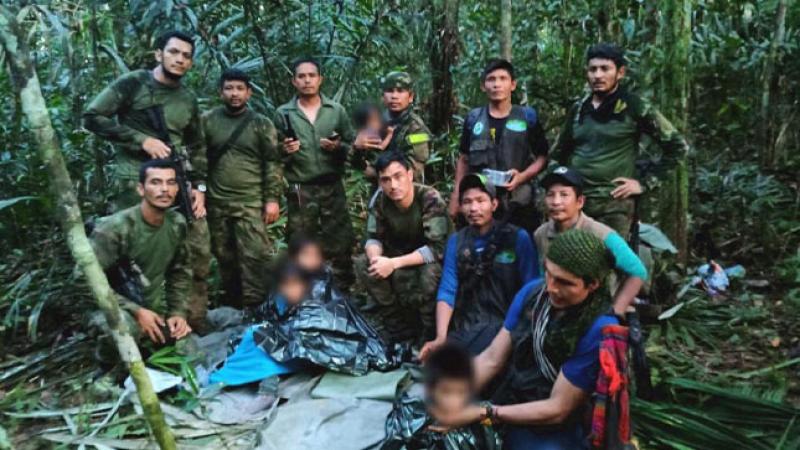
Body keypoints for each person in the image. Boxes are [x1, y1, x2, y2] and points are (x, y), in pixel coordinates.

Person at [430, 230, 620, 450]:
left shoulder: (599, 328)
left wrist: (485, 413)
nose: (551, 288)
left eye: (565, 283)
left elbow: (559, 408)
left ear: (593, 284)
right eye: (549, 273)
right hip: (517, 393)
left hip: (558, 420)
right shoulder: (532, 293)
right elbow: (492, 358)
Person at [83, 30, 211, 332]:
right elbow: (92, 117)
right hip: (134, 183)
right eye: (174, 52)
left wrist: (200, 188)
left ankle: (188, 321)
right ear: (159, 54)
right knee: (131, 254)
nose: (179, 59)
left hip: (177, 182)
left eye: (186, 56)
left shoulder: (187, 99)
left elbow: (198, 147)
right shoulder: (134, 84)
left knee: (194, 249)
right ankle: (133, 322)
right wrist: (141, 140)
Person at [553, 43, 689, 237]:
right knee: (569, 260)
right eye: (593, 69)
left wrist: (643, 183)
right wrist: (556, 190)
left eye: (605, 69)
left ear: (620, 72)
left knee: (611, 262)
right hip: (576, 204)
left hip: (613, 205)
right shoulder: (579, 109)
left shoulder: (635, 106)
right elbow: (557, 154)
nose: (598, 75)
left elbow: (678, 147)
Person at [420, 173, 538, 358]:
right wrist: (441, 337)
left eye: (480, 200)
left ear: (494, 204)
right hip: (468, 325)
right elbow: (448, 289)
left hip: (507, 326)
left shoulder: (517, 238)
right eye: (467, 202)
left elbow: (532, 288)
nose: (473, 208)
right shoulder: (456, 241)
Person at [88, 160, 192, 359]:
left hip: (149, 305)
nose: (164, 189)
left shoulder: (177, 224)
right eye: (156, 182)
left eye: (171, 183)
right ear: (141, 189)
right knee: (125, 330)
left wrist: (177, 313)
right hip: (111, 307)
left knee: (188, 350)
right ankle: (108, 371)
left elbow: (180, 271)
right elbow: (84, 282)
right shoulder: (115, 229)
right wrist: (136, 311)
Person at [203, 68, 282, 309]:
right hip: (217, 202)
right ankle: (234, 306)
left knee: (255, 257)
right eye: (229, 88)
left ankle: (257, 308)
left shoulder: (261, 124)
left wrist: (272, 199)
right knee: (225, 258)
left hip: (250, 202)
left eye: (240, 89)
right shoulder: (207, 121)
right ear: (220, 92)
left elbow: (273, 162)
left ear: (249, 93)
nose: (234, 94)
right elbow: (197, 158)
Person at [276, 57, 357, 290]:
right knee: (300, 236)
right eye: (301, 76)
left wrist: (337, 147)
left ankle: (342, 290)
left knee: (340, 237)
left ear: (320, 79)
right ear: (294, 81)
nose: (307, 80)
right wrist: (284, 150)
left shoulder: (336, 111)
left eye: (311, 75)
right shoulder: (283, 113)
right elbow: (273, 153)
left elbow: (353, 146)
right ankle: (302, 290)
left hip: (331, 184)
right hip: (299, 186)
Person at [354, 152, 450, 344]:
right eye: (386, 180)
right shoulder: (380, 200)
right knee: (364, 263)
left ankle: (428, 330)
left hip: (429, 259)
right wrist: (376, 260)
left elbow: (437, 248)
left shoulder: (429, 198)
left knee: (430, 274)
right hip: (397, 255)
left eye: (398, 177)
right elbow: (373, 238)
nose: (393, 185)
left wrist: (393, 263)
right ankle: (397, 325)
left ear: (410, 175)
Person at [449, 59, 549, 233]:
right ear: (483, 85)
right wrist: (457, 194)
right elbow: (464, 158)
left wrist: (522, 176)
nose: (497, 84)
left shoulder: (527, 117)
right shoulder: (474, 119)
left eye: (503, 79)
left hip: (518, 202)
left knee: (519, 248)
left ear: (513, 85)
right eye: (491, 79)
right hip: (480, 203)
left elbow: (543, 157)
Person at [535, 166, 647, 315]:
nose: (556, 202)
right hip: (557, 306)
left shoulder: (601, 234)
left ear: (580, 201)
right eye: (550, 195)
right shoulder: (540, 234)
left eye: (564, 195)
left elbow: (638, 272)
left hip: (595, 310)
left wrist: (616, 310)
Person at [381, 343, 502, 450]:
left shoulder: (479, 414)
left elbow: (491, 429)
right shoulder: (415, 416)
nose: (453, 401)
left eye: (460, 392)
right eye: (446, 391)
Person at [353, 71, 432, 181]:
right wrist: (357, 148)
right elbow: (357, 164)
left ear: (410, 97)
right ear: (383, 96)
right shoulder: (377, 122)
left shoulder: (417, 130)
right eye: (390, 91)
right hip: (379, 190)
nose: (394, 96)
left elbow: (414, 172)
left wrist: (376, 173)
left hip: (405, 191)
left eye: (400, 91)